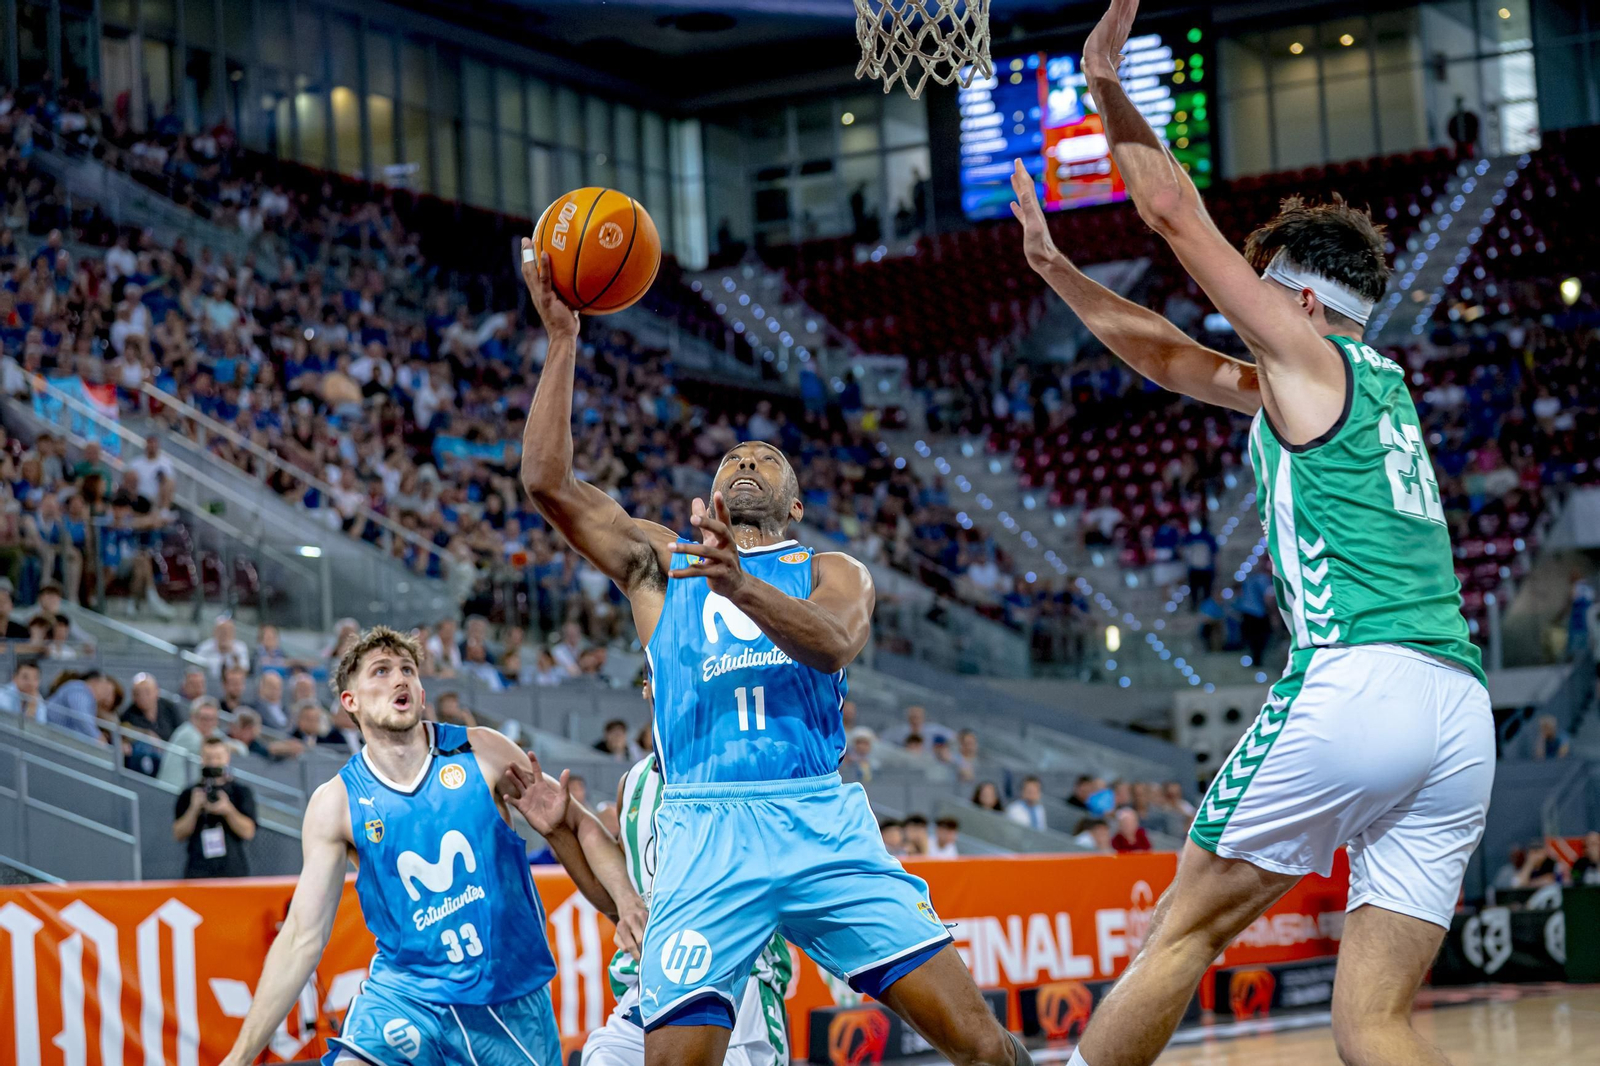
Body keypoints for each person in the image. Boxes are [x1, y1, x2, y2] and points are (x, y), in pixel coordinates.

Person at [1010, 5, 1495, 1065]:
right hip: (1458, 714)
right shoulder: (1366, 380)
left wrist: (1105, 86)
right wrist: (1057, 272)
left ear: (1300, 301)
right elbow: (1172, 359)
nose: (1249, 300)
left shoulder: (1307, 358)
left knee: (1185, 926)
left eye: (1262, 287)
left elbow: (1176, 217)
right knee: (1370, 1020)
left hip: (1358, 679)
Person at [517, 240, 1026, 1066]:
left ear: (792, 502)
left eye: (767, 461)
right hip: (704, 829)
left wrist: (740, 586)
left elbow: (830, 645)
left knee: (980, 1043)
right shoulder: (662, 561)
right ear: (713, 496)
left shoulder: (833, 568)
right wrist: (564, 343)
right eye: (733, 459)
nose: (748, 462)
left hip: (817, 817)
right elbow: (548, 484)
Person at [219, 626, 646, 1066]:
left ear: (421, 693)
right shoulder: (336, 803)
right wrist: (238, 1056)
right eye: (381, 671)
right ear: (352, 702)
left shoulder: (481, 750)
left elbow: (582, 824)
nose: (400, 678)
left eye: (408, 669)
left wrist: (628, 902)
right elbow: (301, 939)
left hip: (508, 1002)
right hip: (407, 996)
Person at [584, 752, 795, 1066]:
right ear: (647, 697)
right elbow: (626, 884)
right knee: (602, 1056)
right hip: (651, 979)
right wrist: (627, 902)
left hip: (737, 975)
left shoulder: (741, 764)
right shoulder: (633, 781)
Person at [171, 737, 257, 878]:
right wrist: (194, 808)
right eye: (209, 757)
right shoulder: (189, 793)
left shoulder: (240, 792)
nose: (213, 763)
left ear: (227, 758)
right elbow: (178, 834)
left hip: (232, 870)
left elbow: (248, 832)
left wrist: (228, 810)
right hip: (198, 870)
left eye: (218, 757)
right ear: (201, 759)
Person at [120, 671, 182, 741]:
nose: (143, 697)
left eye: (147, 692)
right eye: (137, 693)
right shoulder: (128, 716)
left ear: (156, 691)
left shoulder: (169, 707)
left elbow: (180, 730)